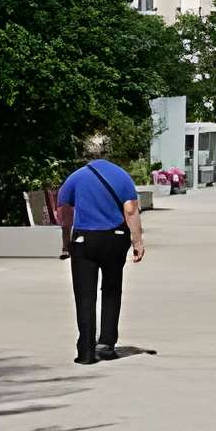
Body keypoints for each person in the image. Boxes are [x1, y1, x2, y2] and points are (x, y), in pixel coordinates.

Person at [56, 134, 143, 365]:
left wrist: (66, 241)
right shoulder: (122, 176)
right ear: (110, 152)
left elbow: (64, 211)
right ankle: (106, 343)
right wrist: (137, 241)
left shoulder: (75, 178)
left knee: (85, 295)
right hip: (114, 238)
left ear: (85, 153)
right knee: (112, 289)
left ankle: (86, 350)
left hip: (84, 240)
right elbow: (131, 210)